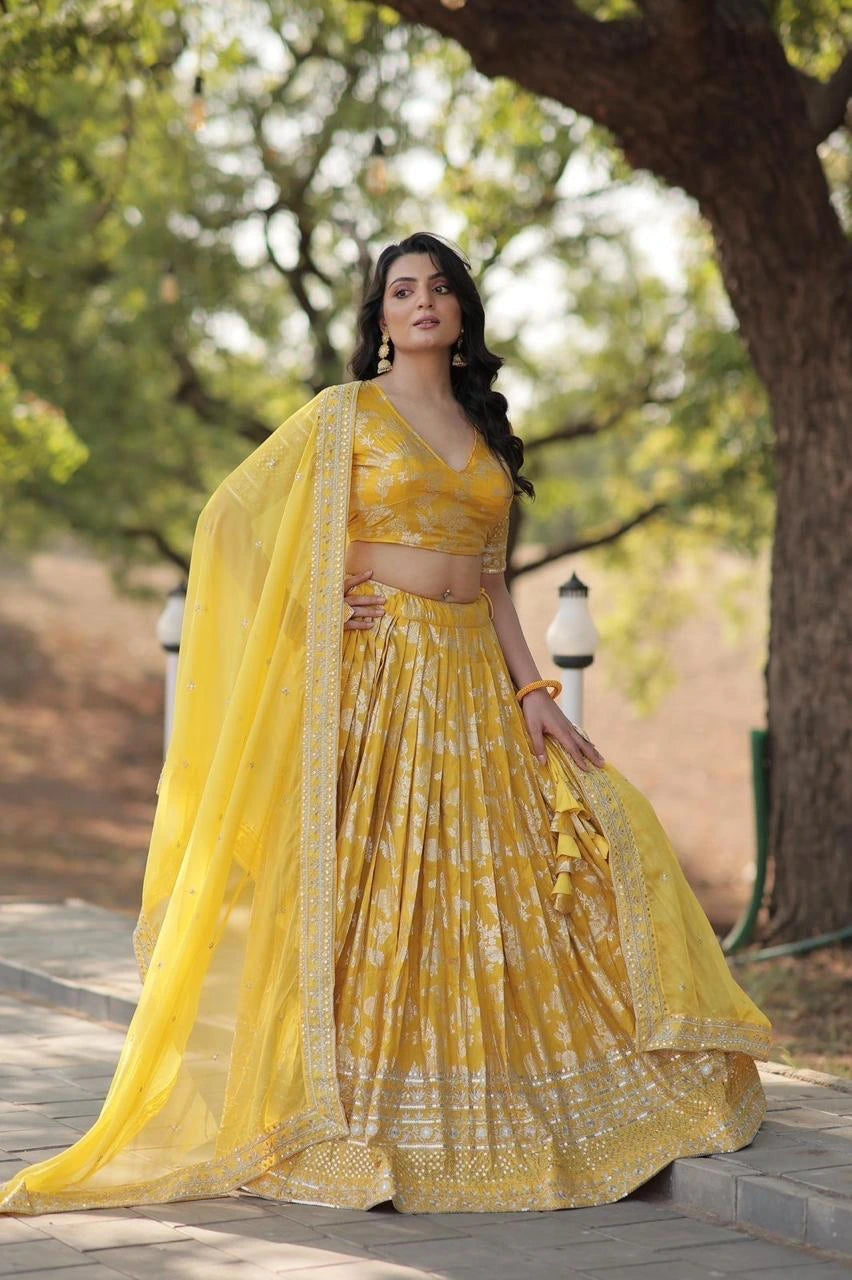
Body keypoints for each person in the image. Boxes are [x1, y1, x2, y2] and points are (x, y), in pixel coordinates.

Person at [0, 231, 771, 1218]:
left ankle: (514, 1081)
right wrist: (316, 595)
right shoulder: (343, 415)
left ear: (461, 315)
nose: (422, 302)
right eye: (403, 290)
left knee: (511, 873)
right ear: (381, 317)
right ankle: (351, 1099)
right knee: (381, 886)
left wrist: (536, 695)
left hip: (474, 681)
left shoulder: (485, 428)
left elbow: (493, 584)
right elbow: (234, 519)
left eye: (439, 288)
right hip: (385, 676)